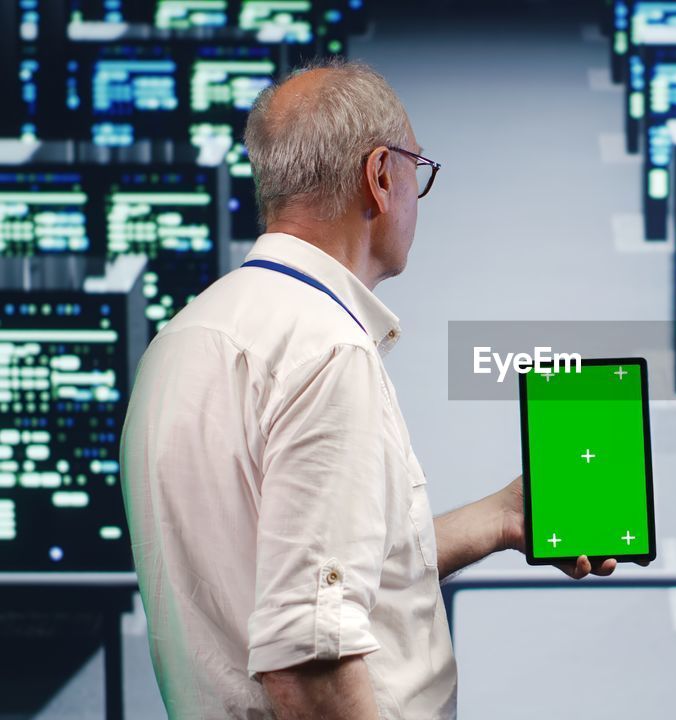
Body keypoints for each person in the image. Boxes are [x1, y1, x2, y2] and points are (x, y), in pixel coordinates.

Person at [120, 59, 614, 719]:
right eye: (420, 172)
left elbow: (302, 576)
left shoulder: (185, 338)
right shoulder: (325, 353)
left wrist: (500, 517)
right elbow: (308, 658)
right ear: (381, 176)